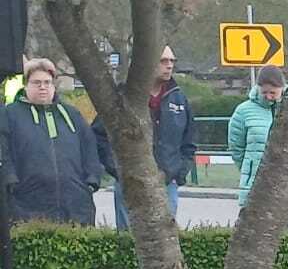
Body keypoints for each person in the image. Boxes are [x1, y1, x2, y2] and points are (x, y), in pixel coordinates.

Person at [3, 59, 102, 224]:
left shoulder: (72, 114)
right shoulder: (9, 115)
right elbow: (3, 151)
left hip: (75, 204)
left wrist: (92, 180)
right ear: (25, 85)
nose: (43, 87)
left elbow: (90, 147)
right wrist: (10, 181)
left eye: (47, 82)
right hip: (26, 204)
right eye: (37, 82)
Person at [110, 45, 195, 229]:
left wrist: (177, 173)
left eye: (172, 61)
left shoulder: (179, 99)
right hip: (130, 184)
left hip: (166, 184)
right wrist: (118, 170)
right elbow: (101, 136)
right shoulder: (124, 97)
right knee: (128, 240)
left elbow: (188, 143)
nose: (169, 65)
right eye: (163, 61)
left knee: (165, 240)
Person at [227, 65, 288, 229]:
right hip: (257, 188)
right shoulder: (243, 112)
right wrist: (252, 168)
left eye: (273, 93)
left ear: (282, 89)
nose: (268, 97)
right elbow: (236, 148)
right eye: (264, 92)